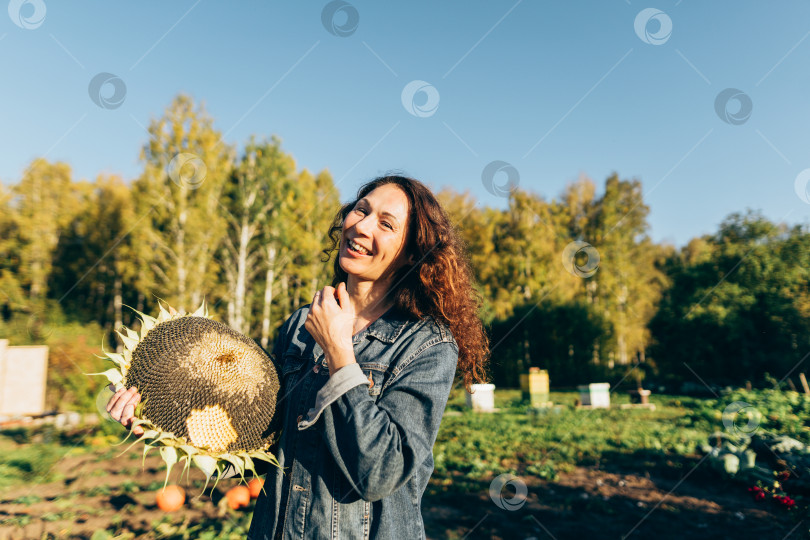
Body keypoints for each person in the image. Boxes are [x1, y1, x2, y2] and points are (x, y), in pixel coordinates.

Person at [107, 174, 489, 539]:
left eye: (387, 224)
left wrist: (339, 352)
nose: (362, 226)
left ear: (411, 254)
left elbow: (380, 473)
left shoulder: (427, 344)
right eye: (361, 209)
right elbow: (262, 448)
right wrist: (162, 425)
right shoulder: (298, 326)